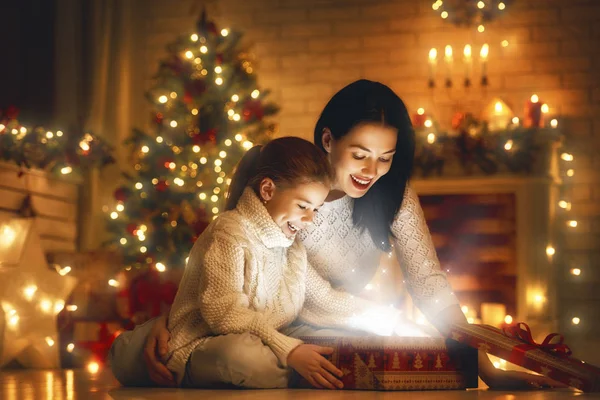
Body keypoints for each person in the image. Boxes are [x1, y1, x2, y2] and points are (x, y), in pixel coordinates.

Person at [139, 80, 562, 390]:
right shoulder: (292, 192)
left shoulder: (393, 194)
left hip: (349, 320)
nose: (371, 171)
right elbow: (225, 259)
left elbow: (429, 283)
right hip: (284, 331)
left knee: (421, 348)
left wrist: (487, 370)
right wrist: (169, 322)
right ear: (327, 139)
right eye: (360, 155)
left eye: (385, 159)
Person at [109, 136, 401, 389]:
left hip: (261, 339)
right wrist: (290, 351)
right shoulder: (230, 231)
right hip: (204, 343)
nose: (310, 219)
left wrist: (389, 319)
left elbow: (325, 298)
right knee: (243, 358)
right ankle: (307, 370)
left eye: (315, 208)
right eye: (302, 206)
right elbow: (224, 314)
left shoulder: (292, 248)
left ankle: (309, 368)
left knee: (333, 337)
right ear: (268, 191)